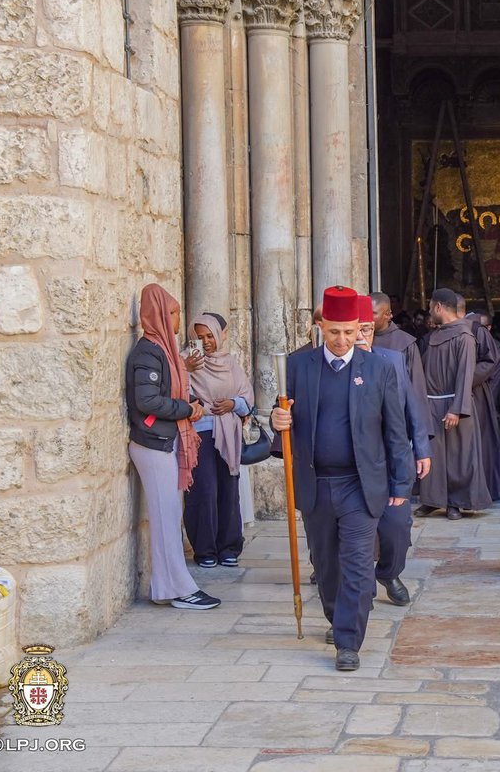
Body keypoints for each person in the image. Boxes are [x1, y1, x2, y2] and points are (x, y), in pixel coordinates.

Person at [270, 285, 413, 671]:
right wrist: (277, 419)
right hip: (316, 483)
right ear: (322, 328)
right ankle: (337, 617)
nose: (342, 339)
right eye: (334, 332)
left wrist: (401, 484)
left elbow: (395, 430)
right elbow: (281, 416)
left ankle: (349, 641)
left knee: (358, 564)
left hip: (360, 485)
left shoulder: (379, 368)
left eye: (350, 331)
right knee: (326, 565)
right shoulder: (299, 367)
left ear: (360, 328)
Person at [124, 284, 219, 610]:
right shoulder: (148, 353)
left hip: (165, 441)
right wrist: (186, 410)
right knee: (165, 519)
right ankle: (178, 590)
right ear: (159, 315)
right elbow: (147, 400)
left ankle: (169, 587)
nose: (178, 319)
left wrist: (191, 403)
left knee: (169, 516)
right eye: (174, 313)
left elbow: (170, 390)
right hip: (154, 444)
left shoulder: (162, 350)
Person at [356, 295, 432, 607]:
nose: (360, 337)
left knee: (398, 526)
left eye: (366, 329)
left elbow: (412, 404)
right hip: (352, 465)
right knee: (355, 533)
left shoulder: (392, 360)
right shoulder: (332, 367)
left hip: (390, 459)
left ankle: (389, 572)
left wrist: (422, 448)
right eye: (354, 329)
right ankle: (360, 593)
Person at [183, 313, 253, 569]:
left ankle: (229, 547)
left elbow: (247, 395)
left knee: (228, 489)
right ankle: (204, 549)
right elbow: (179, 391)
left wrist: (233, 404)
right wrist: (186, 369)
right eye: (199, 337)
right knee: (204, 490)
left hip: (228, 434)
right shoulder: (185, 361)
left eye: (210, 336)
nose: (206, 342)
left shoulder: (229, 362)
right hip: (199, 434)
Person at [416, 288, 493, 520]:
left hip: (454, 404)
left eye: (431, 307)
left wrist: (457, 409)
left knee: (458, 456)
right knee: (433, 453)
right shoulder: (435, 335)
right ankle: (432, 500)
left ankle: (455, 503)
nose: (429, 312)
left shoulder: (464, 336)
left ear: (439, 307)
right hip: (432, 404)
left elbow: (465, 374)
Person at [457, 294, 500, 501]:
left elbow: (495, 374)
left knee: (482, 446)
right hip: (462, 398)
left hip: (480, 400)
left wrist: (464, 382)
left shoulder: (483, 337)